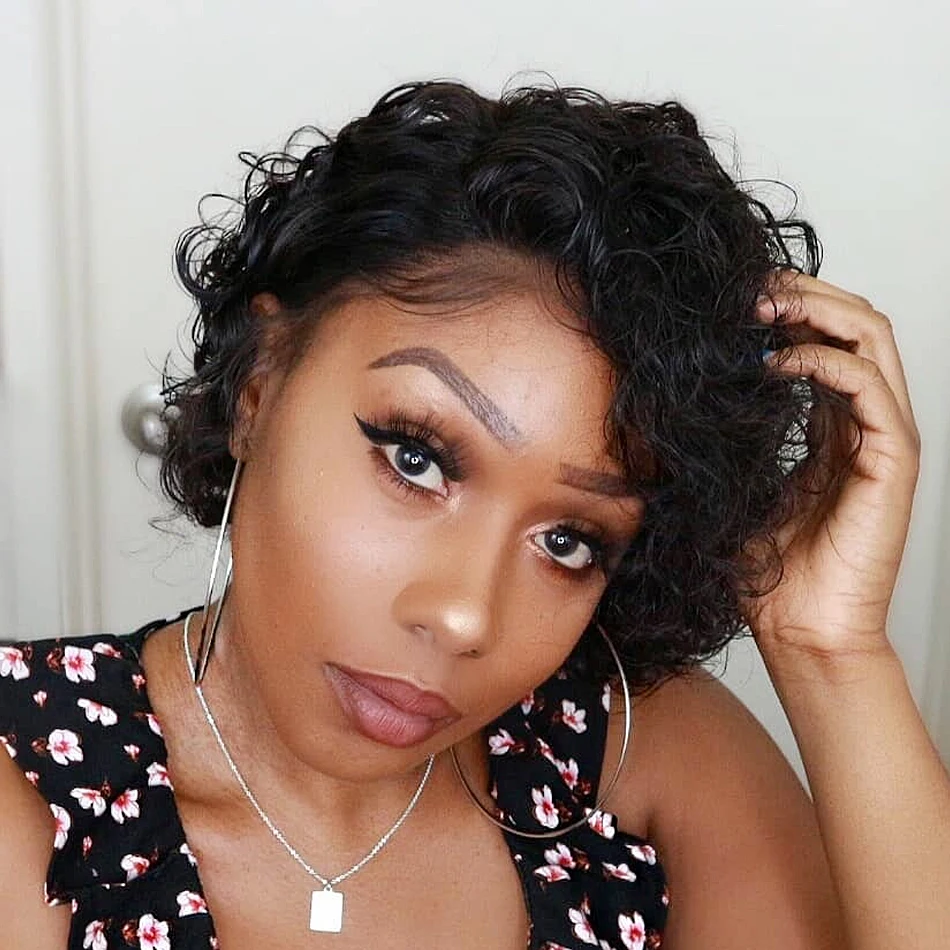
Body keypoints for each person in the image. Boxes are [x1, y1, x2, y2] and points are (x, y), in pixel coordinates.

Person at [0, 79, 947, 950]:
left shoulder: (643, 767)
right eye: (415, 459)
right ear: (259, 387)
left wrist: (832, 653)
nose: (463, 616)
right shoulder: (25, 785)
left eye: (568, 540)